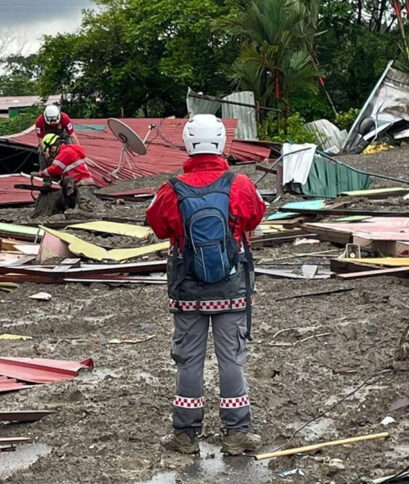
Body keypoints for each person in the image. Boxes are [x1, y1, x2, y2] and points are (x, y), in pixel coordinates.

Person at [145, 114, 266, 456]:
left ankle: (185, 435)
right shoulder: (240, 184)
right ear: (220, 143)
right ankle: (237, 433)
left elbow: (158, 226)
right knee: (232, 360)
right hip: (231, 290)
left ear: (187, 143)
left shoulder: (170, 190)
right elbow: (256, 215)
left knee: (189, 361)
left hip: (187, 291)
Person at [38, 133, 99, 212]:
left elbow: (54, 169)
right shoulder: (68, 150)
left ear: (54, 146)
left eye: (50, 149)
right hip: (82, 182)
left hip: (82, 184)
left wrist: (40, 174)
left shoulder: (64, 153)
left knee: (83, 205)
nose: (50, 152)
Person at [35, 105, 80, 171]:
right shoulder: (39, 121)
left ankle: (71, 168)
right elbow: (40, 140)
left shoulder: (65, 118)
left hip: (62, 138)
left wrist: (79, 152)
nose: (53, 124)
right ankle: (45, 172)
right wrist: (48, 157)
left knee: (70, 147)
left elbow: (72, 136)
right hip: (47, 141)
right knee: (40, 150)